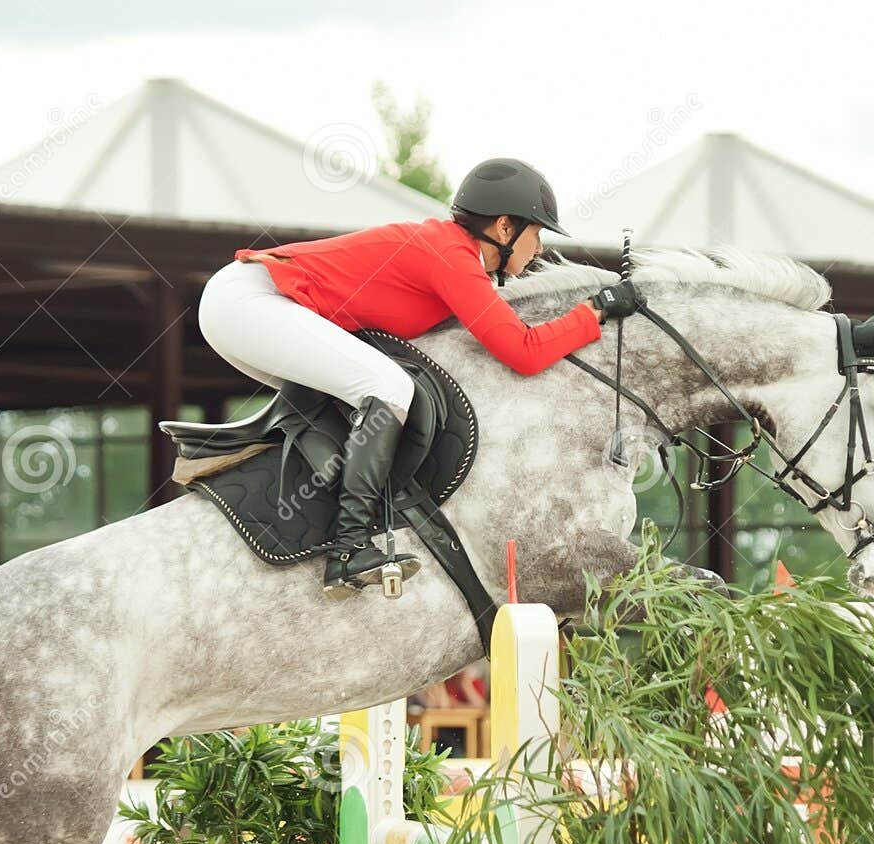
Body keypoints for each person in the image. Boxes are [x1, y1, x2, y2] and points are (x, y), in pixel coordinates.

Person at [196, 158, 640, 594]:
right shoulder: (452, 255)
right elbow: (523, 352)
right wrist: (595, 311)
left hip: (245, 305)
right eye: (537, 233)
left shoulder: (453, 253)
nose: (539, 248)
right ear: (505, 228)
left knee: (365, 395)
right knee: (388, 388)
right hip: (250, 302)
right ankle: (349, 548)